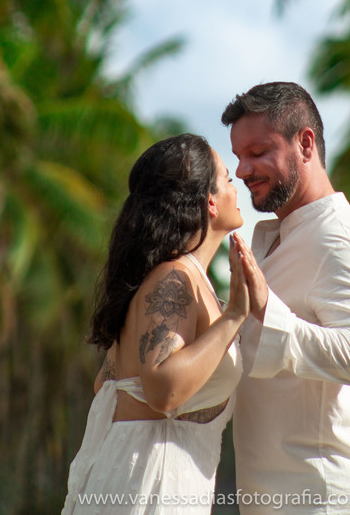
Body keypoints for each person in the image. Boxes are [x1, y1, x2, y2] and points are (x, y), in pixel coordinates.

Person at [223, 82, 350, 514]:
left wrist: (266, 310)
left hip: (326, 498)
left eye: (258, 152)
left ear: (305, 143)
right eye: (238, 156)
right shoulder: (269, 240)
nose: (242, 170)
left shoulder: (342, 239)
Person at [62, 134, 253, 514]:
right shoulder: (173, 278)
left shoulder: (177, 277)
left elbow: (107, 384)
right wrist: (234, 315)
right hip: (150, 485)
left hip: (148, 477)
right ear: (209, 202)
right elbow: (163, 389)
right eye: (227, 179)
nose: (236, 187)